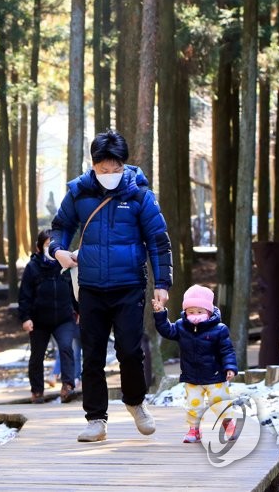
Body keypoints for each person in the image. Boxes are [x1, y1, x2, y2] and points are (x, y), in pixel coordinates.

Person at [50, 129, 173, 442]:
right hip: (90, 286)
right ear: (93, 166)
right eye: (103, 170)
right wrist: (58, 250)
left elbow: (158, 241)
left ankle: (135, 402)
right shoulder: (78, 192)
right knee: (91, 354)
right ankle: (95, 419)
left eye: (116, 169)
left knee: (130, 351)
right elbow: (61, 227)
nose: (110, 175)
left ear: (124, 166)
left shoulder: (140, 195)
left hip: (129, 284)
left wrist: (162, 282)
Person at [152, 284, 238, 443]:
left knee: (219, 402)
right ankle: (194, 430)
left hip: (215, 376)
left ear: (209, 311)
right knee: (193, 406)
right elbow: (166, 330)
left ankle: (228, 423)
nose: (195, 315)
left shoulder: (219, 329)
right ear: (185, 312)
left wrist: (230, 367)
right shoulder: (181, 326)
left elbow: (227, 350)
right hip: (192, 376)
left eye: (200, 311)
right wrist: (160, 313)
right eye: (190, 312)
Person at [19, 229, 78, 404]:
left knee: (67, 347)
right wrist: (25, 317)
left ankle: (68, 386)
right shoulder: (32, 268)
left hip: (64, 317)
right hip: (39, 320)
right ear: (39, 247)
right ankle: (37, 391)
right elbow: (24, 295)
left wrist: (79, 310)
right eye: (46, 245)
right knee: (37, 355)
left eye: (52, 245)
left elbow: (74, 289)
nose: (50, 248)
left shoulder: (64, 265)